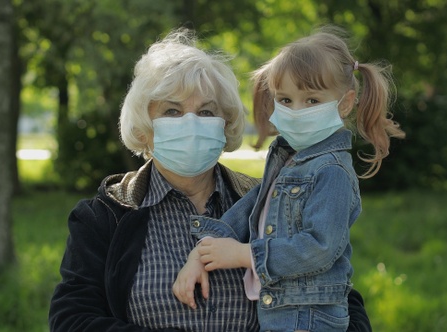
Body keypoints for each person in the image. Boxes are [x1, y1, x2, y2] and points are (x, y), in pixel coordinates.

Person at [49, 27, 372, 331]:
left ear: (225, 123)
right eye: (172, 111)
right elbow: (72, 319)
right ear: (143, 128)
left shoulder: (266, 200)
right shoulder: (105, 216)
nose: (191, 123)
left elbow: (337, 294)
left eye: (206, 112)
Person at [173, 26, 404, 331]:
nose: (296, 111)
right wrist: (201, 253)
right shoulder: (286, 157)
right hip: (283, 316)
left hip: (309, 319)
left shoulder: (331, 171)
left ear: (345, 103)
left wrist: (245, 254)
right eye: (285, 100)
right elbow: (247, 212)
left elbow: (319, 248)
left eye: (311, 101)